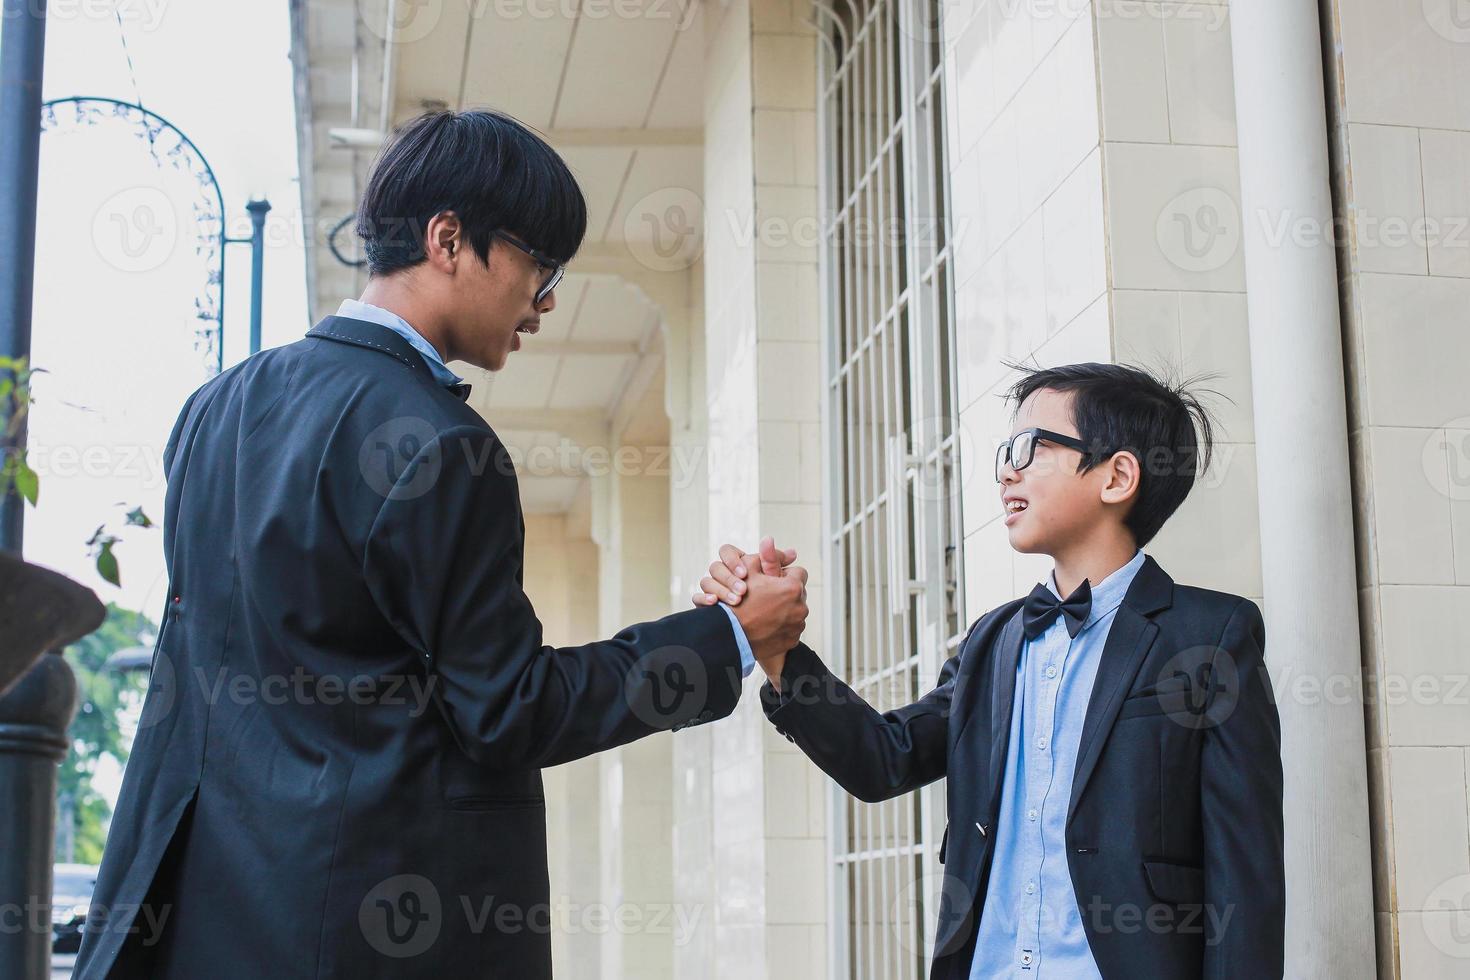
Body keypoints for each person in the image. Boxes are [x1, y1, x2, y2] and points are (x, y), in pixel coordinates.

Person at [74, 109, 809, 978]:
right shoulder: (441, 444)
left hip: (198, 923)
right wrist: (727, 637)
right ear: (449, 238)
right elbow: (509, 710)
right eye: (541, 263)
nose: (547, 301)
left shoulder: (215, 408)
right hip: (369, 936)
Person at [700, 363, 1284, 979]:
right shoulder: (993, 642)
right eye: (1006, 451)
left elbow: (1245, 879)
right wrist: (778, 648)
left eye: (1031, 448)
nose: (1007, 469)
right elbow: (884, 759)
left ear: (1117, 476)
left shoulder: (1209, 636)